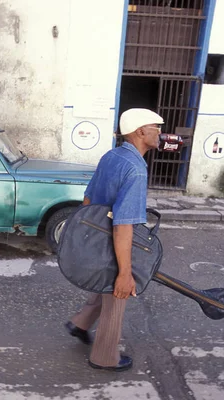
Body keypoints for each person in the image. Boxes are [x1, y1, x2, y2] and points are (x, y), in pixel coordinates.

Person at [64, 108, 164, 372]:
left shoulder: (112, 156)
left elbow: (87, 199)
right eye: (156, 127)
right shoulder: (136, 170)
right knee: (119, 291)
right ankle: (105, 357)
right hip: (113, 240)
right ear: (141, 131)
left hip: (98, 237)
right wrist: (126, 272)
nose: (160, 132)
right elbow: (123, 224)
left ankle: (80, 323)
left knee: (104, 283)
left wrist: (82, 237)